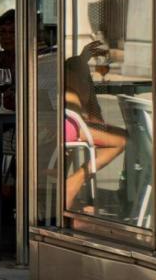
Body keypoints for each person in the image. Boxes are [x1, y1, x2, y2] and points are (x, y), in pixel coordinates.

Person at [64, 42, 126, 211]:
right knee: (122, 139)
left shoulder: (64, 73)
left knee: (100, 133)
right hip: (68, 128)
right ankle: (73, 183)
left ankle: (71, 189)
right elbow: (82, 116)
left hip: (54, 126)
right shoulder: (74, 76)